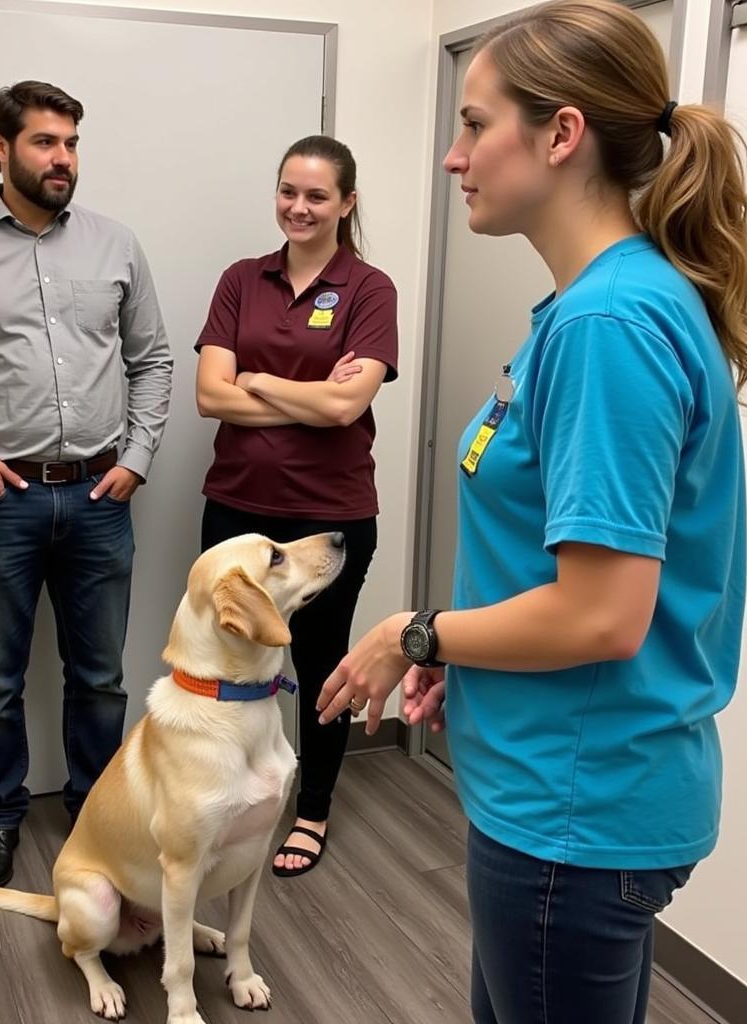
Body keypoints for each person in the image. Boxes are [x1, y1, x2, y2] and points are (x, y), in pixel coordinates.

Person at [318, 2, 747, 1020]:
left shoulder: (608, 324)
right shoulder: (594, 306)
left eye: (473, 125)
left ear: (560, 135)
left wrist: (411, 631)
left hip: (576, 813)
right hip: (561, 794)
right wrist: (458, 651)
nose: (449, 157)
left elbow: (602, 614)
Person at [0, 81, 172, 888]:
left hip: (98, 497)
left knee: (100, 675)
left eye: (72, 143)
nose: (62, 158)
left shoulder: (115, 243)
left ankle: (96, 810)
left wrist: (138, 459)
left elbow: (152, 358)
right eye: (46, 142)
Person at [195, 135, 398, 877]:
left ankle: (311, 810)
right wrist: (308, 395)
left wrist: (259, 379)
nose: (299, 207)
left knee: (320, 665)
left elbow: (349, 407)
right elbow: (207, 394)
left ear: (346, 203)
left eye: (317, 195)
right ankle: (227, 796)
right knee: (232, 659)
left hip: (330, 514)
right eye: (288, 191)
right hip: (236, 507)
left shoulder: (370, 290)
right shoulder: (241, 279)